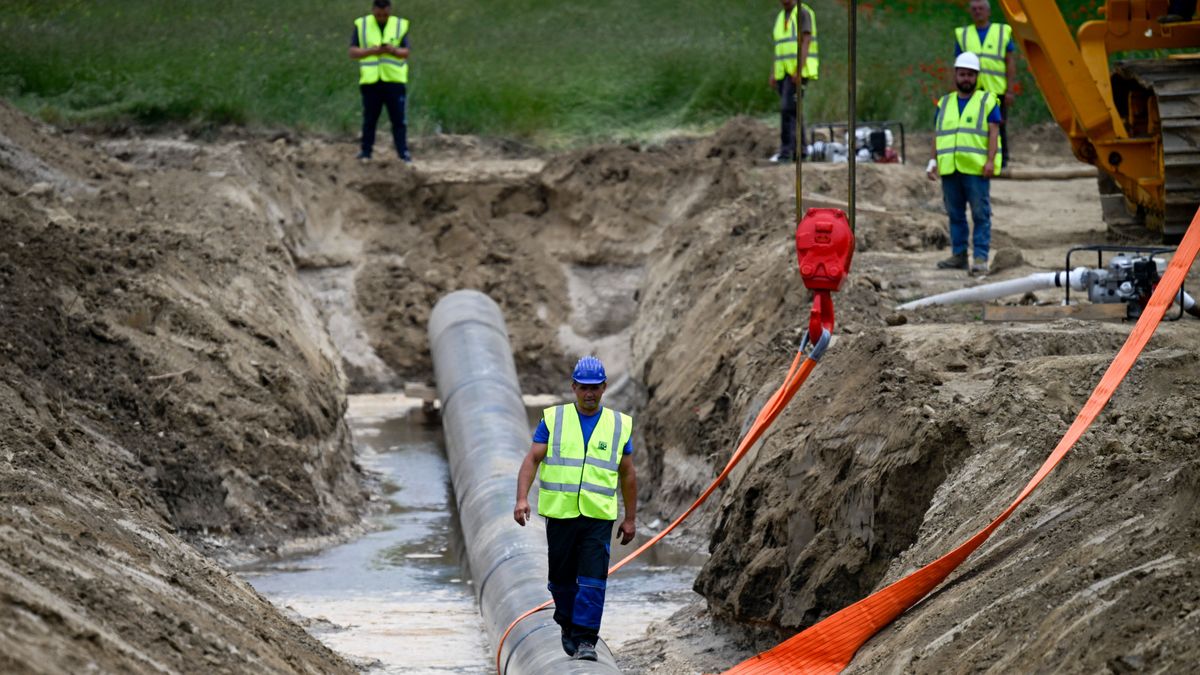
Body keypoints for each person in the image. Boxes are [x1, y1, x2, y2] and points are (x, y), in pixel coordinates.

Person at [513, 356, 637, 662]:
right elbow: (532, 459)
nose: (590, 393)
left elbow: (628, 473)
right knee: (561, 579)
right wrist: (521, 499)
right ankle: (567, 623)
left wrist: (630, 518)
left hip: (597, 516)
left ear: (604, 387)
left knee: (593, 580)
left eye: (595, 388)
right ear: (574, 387)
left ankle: (585, 640)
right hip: (560, 514)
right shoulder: (554, 419)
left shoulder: (619, 425)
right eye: (584, 387)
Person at [927, 52, 1002, 277]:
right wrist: (933, 161)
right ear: (956, 75)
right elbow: (937, 134)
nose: (966, 78)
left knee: (980, 214)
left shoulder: (987, 101)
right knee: (955, 214)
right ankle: (959, 255)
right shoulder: (945, 102)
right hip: (950, 168)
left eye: (970, 74)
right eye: (962, 74)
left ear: (976, 76)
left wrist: (990, 161)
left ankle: (980, 258)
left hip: (976, 169)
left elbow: (994, 132)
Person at [348, 0, 411, 163]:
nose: (382, 17)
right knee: (370, 119)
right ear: (373, 10)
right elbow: (353, 52)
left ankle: (403, 154)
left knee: (398, 120)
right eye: (378, 14)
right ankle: (366, 152)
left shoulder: (399, 25)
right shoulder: (361, 24)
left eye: (385, 14)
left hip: (394, 80)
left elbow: (406, 52)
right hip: (371, 81)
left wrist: (393, 50)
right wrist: (371, 51)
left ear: (390, 10)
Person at [954, 0, 1015, 167]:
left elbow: (1009, 61)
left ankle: (1001, 159)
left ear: (988, 12)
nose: (977, 12)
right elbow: (957, 64)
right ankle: (978, 157)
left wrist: (1010, 90)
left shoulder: (1001, 32)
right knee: (973, 124)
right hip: (971, 89)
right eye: (974, 9)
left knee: (998, 124)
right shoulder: (963, 34)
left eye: (981, 9)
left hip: (996, 88)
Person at [769, 0, 819, 163]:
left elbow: (806, 40)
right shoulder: (781, 17)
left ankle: (786, 151)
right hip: (783, 71)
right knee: (793, 110)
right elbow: (780, 47)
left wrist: (799, 68)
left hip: (797, 71)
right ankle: (800, 151)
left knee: (787, 108)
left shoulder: (802, 13)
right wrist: (773, 72)